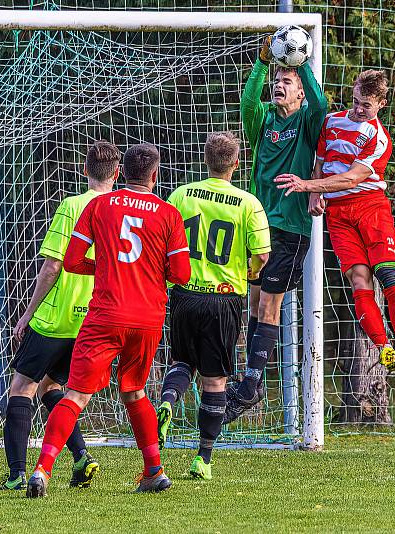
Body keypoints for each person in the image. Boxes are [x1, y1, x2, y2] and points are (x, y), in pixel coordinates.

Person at [25, 143, 191, 497]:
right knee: (134, 391)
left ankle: (42, 470)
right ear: (154, 176)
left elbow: (70, 262)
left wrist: (102, 266)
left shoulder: (99, 205)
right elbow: (180, 273)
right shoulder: (168, 214)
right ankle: (153, 471)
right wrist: (149, 271)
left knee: (75, 395)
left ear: (121, 174)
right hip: (147, 317)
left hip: (105, 314)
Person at [275, 69, 395, 374]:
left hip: (371, 210)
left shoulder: (378, 138)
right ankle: (384, 348)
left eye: (366, 105)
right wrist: (316, 193)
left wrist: (306, 187)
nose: (358, 109)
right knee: (358, 279)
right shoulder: (331, 122)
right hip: (339, 215)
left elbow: (350, 178)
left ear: (382, 103)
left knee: (388, 275)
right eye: (355, 101)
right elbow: (321, 161)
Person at [0, 140, 118, 491]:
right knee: (55, 387)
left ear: (84, 169)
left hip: (57, 318)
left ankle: (17, 475)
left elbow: (53, 266)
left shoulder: (72, 206)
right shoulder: (120, 208)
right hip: (94, 322)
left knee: (21, 388)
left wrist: (26, 314)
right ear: (117, 173)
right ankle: (81, 456)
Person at [225, 33, 328, 422]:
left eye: (288, 82)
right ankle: (254, 382)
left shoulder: (307, 122)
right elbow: (248, 101)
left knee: (270, 304)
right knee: (254, 304)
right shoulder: (264, 121)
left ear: (300, 93)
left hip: (290, 228)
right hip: (258, 226)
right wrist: (262, 62)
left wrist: (300, 64)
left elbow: (321, 102)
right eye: (277, 81)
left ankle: (250, 385)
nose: (279, 86)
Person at [156, 131, 270, 480]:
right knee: (215, 381)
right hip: (223, 299)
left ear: (205, 160)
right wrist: (251, 274)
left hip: (184, 294)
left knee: (181, 361)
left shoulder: (180, 196)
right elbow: (263, 254)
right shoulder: (247, 203)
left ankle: (167, 402)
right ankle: (203, 458)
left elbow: (163, 242)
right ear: (236, 163)